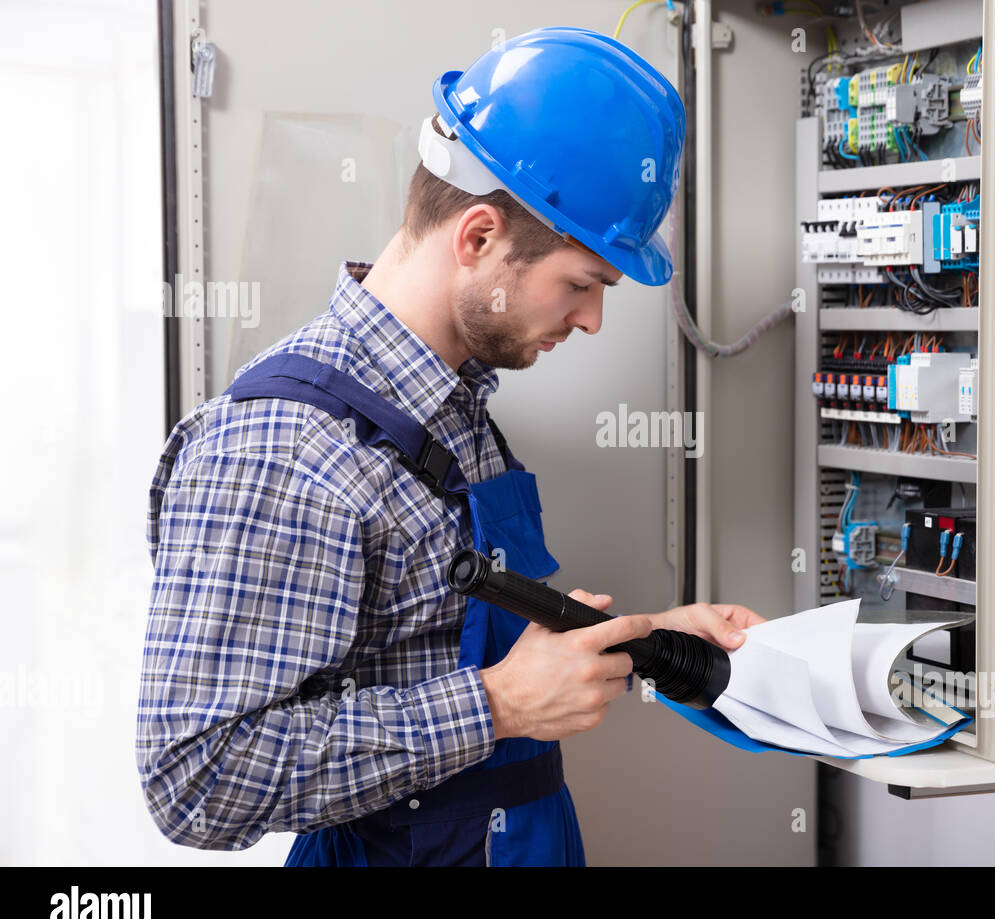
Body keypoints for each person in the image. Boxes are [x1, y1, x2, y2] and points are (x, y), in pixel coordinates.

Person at [136, 26, 765, 867]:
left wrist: (656, 639)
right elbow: (196, 779)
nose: (590, 320)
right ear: (477, 238)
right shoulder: (281, 447)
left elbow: (428, 643)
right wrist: (498, 706)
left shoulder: (452, 403)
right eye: (581, 284)